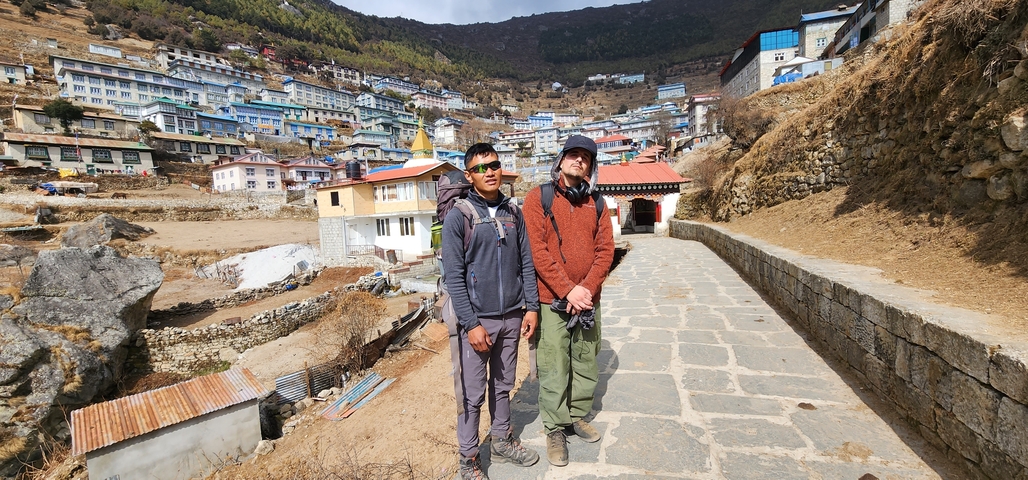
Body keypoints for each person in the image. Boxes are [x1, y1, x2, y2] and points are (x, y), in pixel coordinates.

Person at [442, 143, 541, 480]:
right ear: (469, 175)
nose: (490, 172)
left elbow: (527, 262)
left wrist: (531, 307)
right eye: (481, 168)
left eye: (494, 165)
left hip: (512, 316)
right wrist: (470, 324)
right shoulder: (460, 215)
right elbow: (453, 277)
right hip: (477, 322)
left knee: (502, 384)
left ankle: (501, 438)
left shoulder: (514, 213)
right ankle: (468, 459)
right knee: (471, 394)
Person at [523, 135, 614, 467]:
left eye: (586, 158)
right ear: (560, 161)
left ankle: (576, 415)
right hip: (552, 302)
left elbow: (605, 252)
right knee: (554, 365)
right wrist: (567, 290)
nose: (579, 161)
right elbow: (538, 252)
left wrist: (585, 290)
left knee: (586, 361)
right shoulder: (538, 199)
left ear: (591, 166)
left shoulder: (598, 203)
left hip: (588, 301)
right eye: (573, 155)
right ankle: (554, 427)